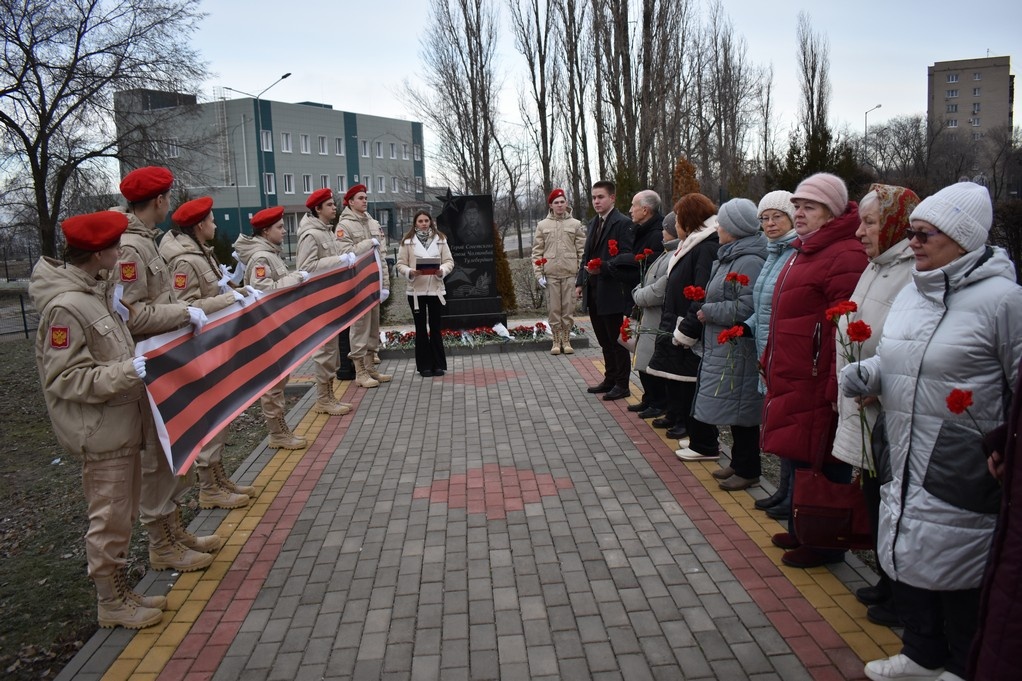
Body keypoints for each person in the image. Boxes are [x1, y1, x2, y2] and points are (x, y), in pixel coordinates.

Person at [841, 182, 1022, 681]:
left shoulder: (1004, 301)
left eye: (926, 234)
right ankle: (921, 651)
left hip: (963, 460)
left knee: (960, 562)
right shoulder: (914, 293)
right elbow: (899, 357)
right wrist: (870, 373)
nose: (913, 242)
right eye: (913, 231)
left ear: (963, 238)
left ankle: (964, 663)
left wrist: (1006, 445)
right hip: (902, 446)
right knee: (907, 549)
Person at [30, 210, 164, 629]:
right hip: (101, 433)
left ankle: (121, 591)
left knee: (121, 518)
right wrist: (129, 370)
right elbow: (65, 379)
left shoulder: (95, 294)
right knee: (108, 520)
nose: (121, 251)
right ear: (97, 253)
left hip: (121, 425)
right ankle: (110, 602)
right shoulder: (67, 308)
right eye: (115, 246)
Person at [111, 166, 220, 573]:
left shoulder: (146, 242)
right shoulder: (131, 248)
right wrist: (183, 311)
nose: (169, 203)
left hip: (166, 362)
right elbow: (131, 316)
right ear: (158, 201)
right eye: (168, 197)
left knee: (172, 449)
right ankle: (161, 544)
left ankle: (174, 530)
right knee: (157, 456)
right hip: (149, 367)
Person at [760, 172, 868, 569]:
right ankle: (803, 526)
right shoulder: (805, 250)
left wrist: (834, 384)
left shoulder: (844, 255)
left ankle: (825, 543)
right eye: (798, 205)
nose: (798, 213)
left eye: (809, 207)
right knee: (798, 452)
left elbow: (846, 327)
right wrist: (769, 355)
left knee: (822, 459)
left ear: (832, 211)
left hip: (817, 376)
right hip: (791, 370)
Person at [832, 184, 920, 628]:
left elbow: (908, 341)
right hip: (863, 398)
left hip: (884, 405)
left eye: (869, 223)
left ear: (895, 223)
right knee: (873, 494)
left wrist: (882, 383)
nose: (860, 232)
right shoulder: (878, 265)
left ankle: (902, 594)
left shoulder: (910, 270)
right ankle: (887, 583)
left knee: (892, 500)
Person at [160, 197, 252, 510]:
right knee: (210, 417)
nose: (215, 225)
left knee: (220, 415)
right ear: (200, 225)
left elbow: (215, 293)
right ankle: (208, 486)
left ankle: (217, 474)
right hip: (201, 350)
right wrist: (228, 302)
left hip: (216, 345)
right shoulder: (186, 261)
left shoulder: (202, 254)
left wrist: (239, 293)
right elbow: (187, 307)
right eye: (212, 220)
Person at [689, 198, 767, 489]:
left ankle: (748, 469)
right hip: (724, 346)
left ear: (734, 227)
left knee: (743, 409)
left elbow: (746, 308)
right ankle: (738, 462)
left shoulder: (749, 260)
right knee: (735, 409)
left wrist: (708, 311)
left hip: (738, 348)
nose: (718, 227)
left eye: (722, 223)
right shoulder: (731, 255)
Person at [645, 193, 720, 450]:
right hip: (677, 319)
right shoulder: (691, 244)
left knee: (688, 380)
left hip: (688, 324)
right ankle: (680, 419)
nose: (675, 225)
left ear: (688, 220)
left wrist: (687, 328)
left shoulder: (705, 247)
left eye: (678, 220)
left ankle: (691, 428)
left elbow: (701, 290)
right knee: (676, 377)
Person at [233, 206, 311, 450]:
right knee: (273, 383)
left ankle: (280, 429)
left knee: (279, 379)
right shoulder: (261, 257)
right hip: (266, 328)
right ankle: (277, 433)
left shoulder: (270, 253)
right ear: (266, 231)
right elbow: (264, 289)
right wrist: (296, 277)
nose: (284, 230)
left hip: (275, 325)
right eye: (279, 227)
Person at [745, 191, 798, 520]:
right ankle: (783, 490)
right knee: (779, 426)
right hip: (767, 350)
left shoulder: (793, 252)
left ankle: (792, 494)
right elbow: (767, 304)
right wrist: (747, 326)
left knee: (789, 428)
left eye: (777, 216)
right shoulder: (774, 253)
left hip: (783, 354)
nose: (769, 223)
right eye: (764, 218)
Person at [575, 180, 635, 401]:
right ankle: (610, 378)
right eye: (593, 197)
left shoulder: (623, 223)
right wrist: (580, 282)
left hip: (612, 290)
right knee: (603, 339)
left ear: (612, 198)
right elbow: (586, 255)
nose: (596, 201)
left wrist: (604, 267)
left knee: (616, 340)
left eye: (601, 197)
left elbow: (627, 256)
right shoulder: (593, 223)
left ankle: (622, 384)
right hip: (594, 290)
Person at [297, 187, 355, 415]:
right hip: (319, 301)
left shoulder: (326, 231)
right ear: (318, 209)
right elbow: (306, 268)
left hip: (331, 298)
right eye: (330, 205)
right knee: (324, 352)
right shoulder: (311, 234)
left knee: (331, 352)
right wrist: (338, 260)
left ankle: (329, 395)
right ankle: (323, 399)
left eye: (334, 204)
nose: (334, 208)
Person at [336, 184, 392, 388]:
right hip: (358, 285)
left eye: (366, 197)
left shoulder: (372, 222)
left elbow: (382, 257)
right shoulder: (344, 226)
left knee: (373, 327)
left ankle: (370, 368)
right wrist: (367, 243)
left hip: (374, 284)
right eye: (360, 198)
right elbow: (346, 254)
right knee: (360, 327)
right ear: (350, 202)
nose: (364, 201)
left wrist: (384, 284)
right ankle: (359, 371)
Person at [628, 212, 678, 419]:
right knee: (644, 360)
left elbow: (659, 290)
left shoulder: (674, 255)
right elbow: (649, 281)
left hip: (657, 316)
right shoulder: (666, 252)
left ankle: (659, 403)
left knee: (652, 362)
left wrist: (638, 295)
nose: (662, 233)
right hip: (648, 315)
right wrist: (639, 292)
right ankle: (650, 399)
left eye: (666, 229)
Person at [396, 210, 455, 377]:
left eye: (426, 220)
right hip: (416, 291)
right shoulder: (407, 242)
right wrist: (410, 271)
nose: (423, 223)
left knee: (436, 328)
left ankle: (438, 364)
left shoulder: (441, 240)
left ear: (431, 222)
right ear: (415, 223)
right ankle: (424, 366)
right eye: (420, 221)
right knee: (421, 328)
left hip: (436, 290)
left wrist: (441, 271)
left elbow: (449, 261)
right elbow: (400, 264)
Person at [531, 188, 585, 355]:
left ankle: (567, 340)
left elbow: (582, 251)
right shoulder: (542, 225)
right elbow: (537, 252)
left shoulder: (575, 224)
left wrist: (581, 275)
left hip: (570, 274)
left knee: (568, 309)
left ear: (566, 203)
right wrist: (539, 274)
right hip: (551, 275)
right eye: (556, 202)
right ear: (551, 205)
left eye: (562, 202)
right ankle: (556, 341)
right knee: (554, 309)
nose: (560, 205)